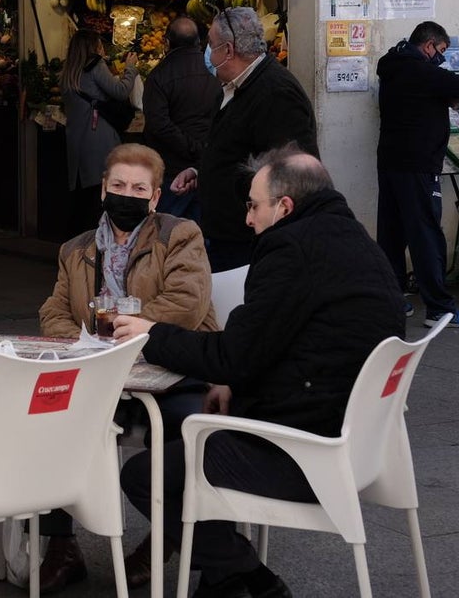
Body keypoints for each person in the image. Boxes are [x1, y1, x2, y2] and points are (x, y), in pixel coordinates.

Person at [113, 147, 405, 598]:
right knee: (196, 433)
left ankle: (252, 578)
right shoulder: (356, 241)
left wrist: (152, 333)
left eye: (253, 206)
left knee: (145, 474)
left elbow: (231, 355)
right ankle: (225, 580)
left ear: (284, 206)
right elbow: (282, 343)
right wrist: (235, 378)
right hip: (361, 444)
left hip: (302, 453)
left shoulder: (291, 248)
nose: (248, 219)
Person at [35, 143, 218, 593]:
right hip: (101, 373)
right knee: (50, 415)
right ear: (103, 189)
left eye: (139, 188)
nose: (127, 194)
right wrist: (86, 344)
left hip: (172, 367)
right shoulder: (75, 249)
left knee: (182, 424)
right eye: (118, 185)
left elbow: (187, 304)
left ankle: (164, 540)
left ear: (155, 197)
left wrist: (127, 331)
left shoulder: (180, 235)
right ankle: (61, 545)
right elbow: (53, 311)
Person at [170, 7, 318, 271]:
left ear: (228, 50)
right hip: (228, 235)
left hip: (249, 242)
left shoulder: (276, 93)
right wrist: (202, 173)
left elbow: (288, 175)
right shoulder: (234, 87)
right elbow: (233, 150)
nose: (206, 52)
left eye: (210, 44)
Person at [375, 21, 459, 328]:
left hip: (391, 163)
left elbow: (429, 95)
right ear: (428, 46)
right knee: (426, 236)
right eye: (441, 50)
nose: (442, 57)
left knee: (392, 235)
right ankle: (440, 309)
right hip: (419, 166)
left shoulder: (393, 67)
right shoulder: (419, 70)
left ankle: (392, 301)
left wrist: (447, 99)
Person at [141, 18, 220, 223]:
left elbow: (158, 125)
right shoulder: (217, 71)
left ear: (167, 43)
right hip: (207, 165)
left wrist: (190, 147)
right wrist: (202, 149)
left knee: (169, 231)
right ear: (199, 42)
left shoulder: (158, 76)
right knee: (202, 230)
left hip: (173, 171)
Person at [61, 30, 138, 236]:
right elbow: (120, 91)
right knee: (99, 198)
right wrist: (130, 68)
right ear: (93, 47)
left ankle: (76, 244)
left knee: (81, 199)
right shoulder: (95, 66)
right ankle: (97, 243)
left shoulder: (68, 72)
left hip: (76, 142)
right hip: (98, 141)